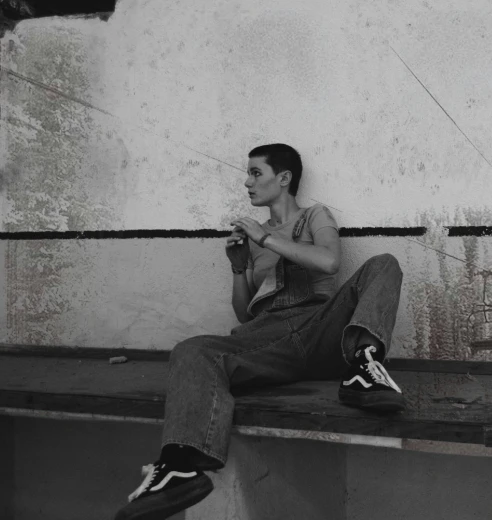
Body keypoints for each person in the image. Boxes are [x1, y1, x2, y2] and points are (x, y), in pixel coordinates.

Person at [115, 143, 405, 520]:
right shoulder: (253, 238)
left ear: (283, 178)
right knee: (192, 350)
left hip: (320, 330)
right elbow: (246, 313)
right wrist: (239, 268)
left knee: (384, 264)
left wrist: (266, 239)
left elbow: (330, 262)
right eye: (247, 173)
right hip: (271, 340)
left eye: (256, 173)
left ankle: (365, 367)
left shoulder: (314, 215)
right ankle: (179, 467)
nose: (247, 183)